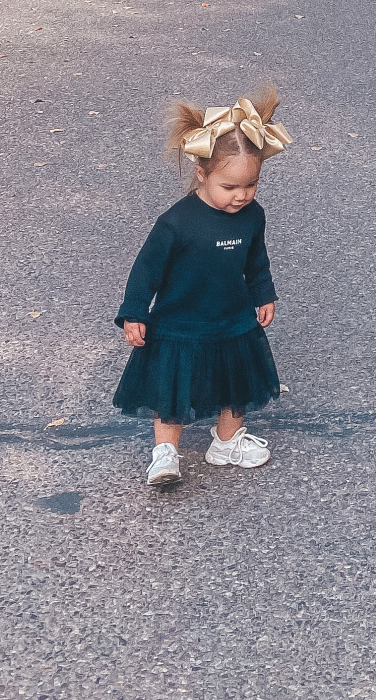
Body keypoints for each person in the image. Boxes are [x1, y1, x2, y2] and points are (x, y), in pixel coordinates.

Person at [114, 89, 291, 490]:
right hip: (180, 322)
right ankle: (165, 453)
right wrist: (135, 312)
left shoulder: (252, 216)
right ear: (201, 173)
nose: (242, 195)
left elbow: (255, 259)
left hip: (233, 318)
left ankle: (227, 442)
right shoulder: (176, 223)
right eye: (229, 186)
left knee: (235, 385)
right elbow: (146, 270)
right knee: (172, 389)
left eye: (251, 185)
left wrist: (263, 292)